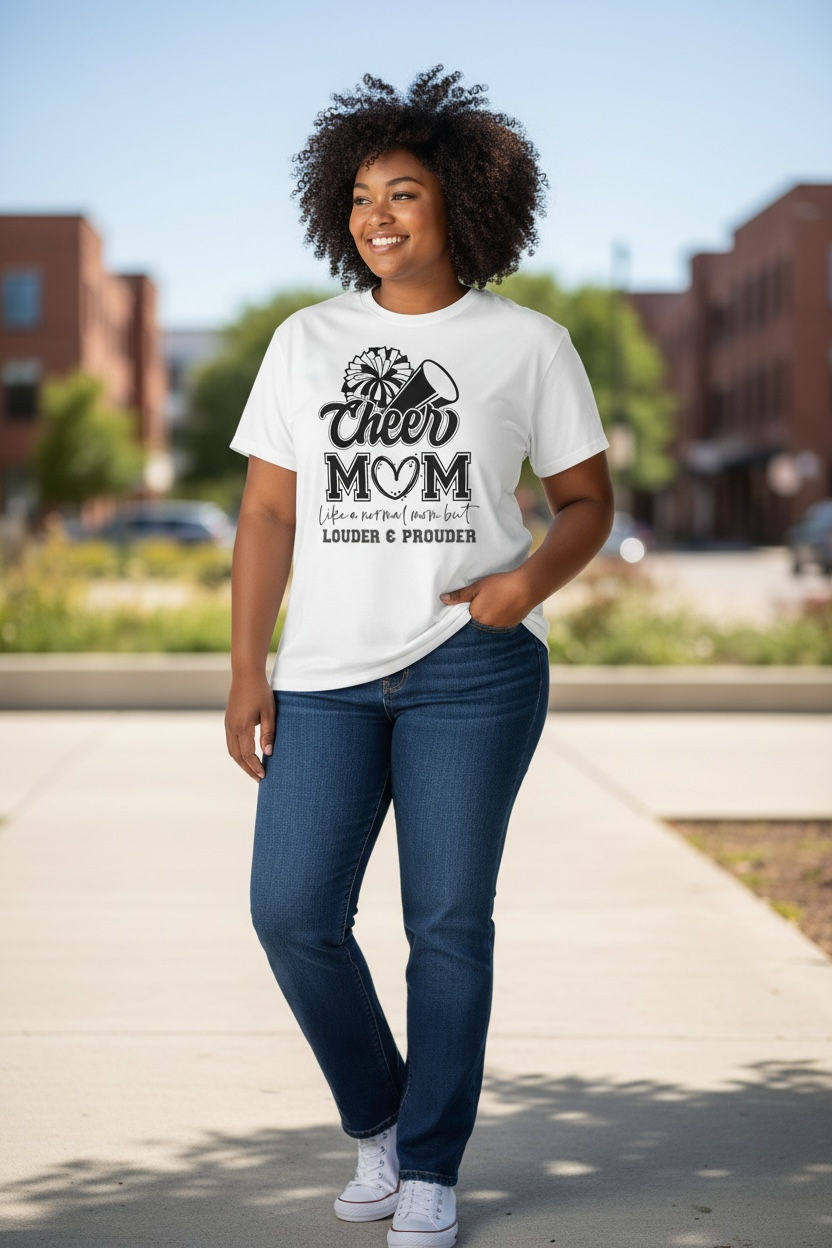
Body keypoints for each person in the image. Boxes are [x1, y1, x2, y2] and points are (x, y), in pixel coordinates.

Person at [225, 66, 614, 1248]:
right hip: (327, 678)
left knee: (446, 923)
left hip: (472, 670)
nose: (376, 217)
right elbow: (268, 519)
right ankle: (381, 1124)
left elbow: (587, 502)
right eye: (356, 198)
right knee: (291, 912)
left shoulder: (527, 344)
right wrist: (248, 670)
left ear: (464, 206)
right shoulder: (306, 342)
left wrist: (520, 587)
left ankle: (433, 1168)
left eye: (402, 193)